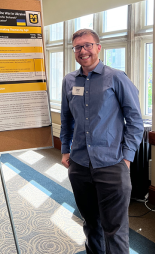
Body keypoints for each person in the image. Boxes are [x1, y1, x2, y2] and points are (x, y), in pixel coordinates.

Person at [60, 28, 144, 254]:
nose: (83, 50)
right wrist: (65, 151)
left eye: (87, 45)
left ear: (98, 47)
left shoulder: (116, 78)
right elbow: (66, 119)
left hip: (112, 164)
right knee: (90, 222)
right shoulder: (69, 80)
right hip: (79, 165)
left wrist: (126, 158)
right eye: (78, 47)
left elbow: (135, 121)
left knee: (114, 228)